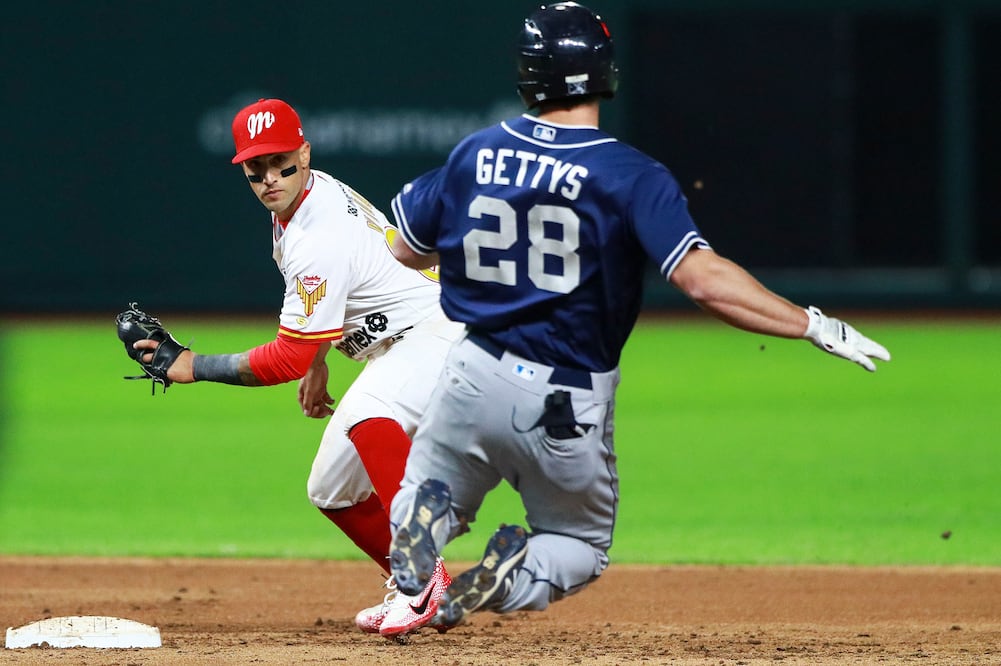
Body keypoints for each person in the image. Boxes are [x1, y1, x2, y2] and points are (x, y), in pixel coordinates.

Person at [383, 1, 892, 633]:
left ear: (527, 74)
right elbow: (703, 281)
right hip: (562, 397)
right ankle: (510, 573)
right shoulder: (630, 175)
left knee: (426, 493)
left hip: (471, 371)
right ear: (604, 72)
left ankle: (424, 522)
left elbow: (406, 249)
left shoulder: (473, 153)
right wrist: (812, 324)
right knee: (579, 545)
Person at [129, 98, 462, 639]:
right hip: (409, 339)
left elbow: (287, 357)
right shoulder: (303, 202)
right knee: (332, 489)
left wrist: (192, 365)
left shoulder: (314, 234)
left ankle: (423, 580)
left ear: (304, 153)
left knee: (369, 414)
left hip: (439, 333)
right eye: (255, 167)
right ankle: (422, 587)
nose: (269, 177)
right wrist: (320, 358)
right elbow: (337, 300)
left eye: (280, 162)